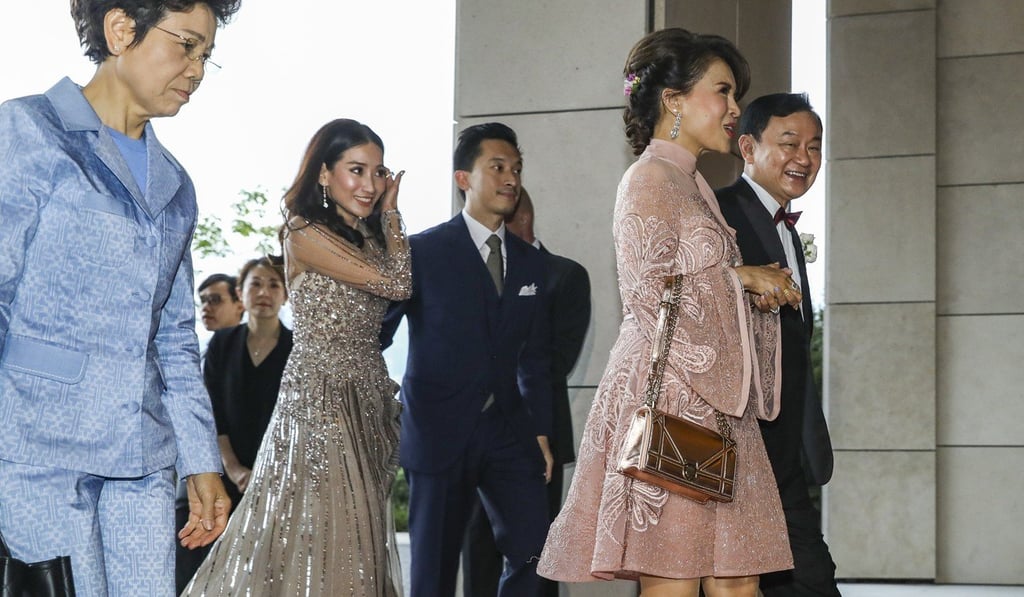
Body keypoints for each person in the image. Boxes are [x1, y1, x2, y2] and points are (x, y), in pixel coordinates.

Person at [537, 28, 801, 597]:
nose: (734, 109)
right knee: (674, 584)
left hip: (721, 406)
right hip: (673, 406)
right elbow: (647, 292)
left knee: (739, 581)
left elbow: (695, 289)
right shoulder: (649, 179)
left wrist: (753, 291)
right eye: (723, 92)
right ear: (674, 99)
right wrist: (738, 277)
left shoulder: (692, 182)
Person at [0, 1, 240, 595]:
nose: (198, 69)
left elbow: (176, 338)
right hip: (38, 451)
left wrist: (199, 461)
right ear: (120, 29)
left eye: (207, 55)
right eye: (186, 45)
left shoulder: (176, 184)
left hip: (143, 458)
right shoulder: (26, 132)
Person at [183, 118, 409, 596]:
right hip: (321, 402)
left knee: (360, 542)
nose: (370, 185)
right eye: (357, 170)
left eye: (379, 172)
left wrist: (382, 223)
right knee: (326, 537)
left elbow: (394, 281)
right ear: (324, 174)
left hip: (367, 401)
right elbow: (399, 283)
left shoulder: (364, 240)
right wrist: (392, 213)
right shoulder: (304, 231)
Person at [380, 123, 553, 597]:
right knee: (433, 573)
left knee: (536, 552)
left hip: (509, 433)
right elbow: (376, 334)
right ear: (463, 179)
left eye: (516, 169)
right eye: (497, 167)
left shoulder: (531, 263)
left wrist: (539, 432)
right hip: (437, 430)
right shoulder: (423, 252)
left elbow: (534, 358)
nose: (511, 178)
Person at [716, 92, 839, 597]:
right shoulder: (718, 213)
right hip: (738, 439)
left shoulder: (787, 226)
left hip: (783, 448)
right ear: (747, 147)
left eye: (814, 146)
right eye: (788, 143)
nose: (804, 158)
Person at [461, 188, 592, 597]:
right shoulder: (471, 269)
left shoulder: (564, 274)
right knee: (477, 547)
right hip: (474, 432)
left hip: (534, 435)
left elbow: (558, 358)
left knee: (536, 555)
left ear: (521, 217)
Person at [174, 257, 293, 593]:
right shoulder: (223, 344)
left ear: (286, 295)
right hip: (221, 471)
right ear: (242, 293)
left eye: (274, 284)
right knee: (192, 557)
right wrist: (236, 470)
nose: (265, 292)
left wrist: (265, 475)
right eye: (256, 283)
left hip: (277, 478)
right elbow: (212, 414)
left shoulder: (296, 349)